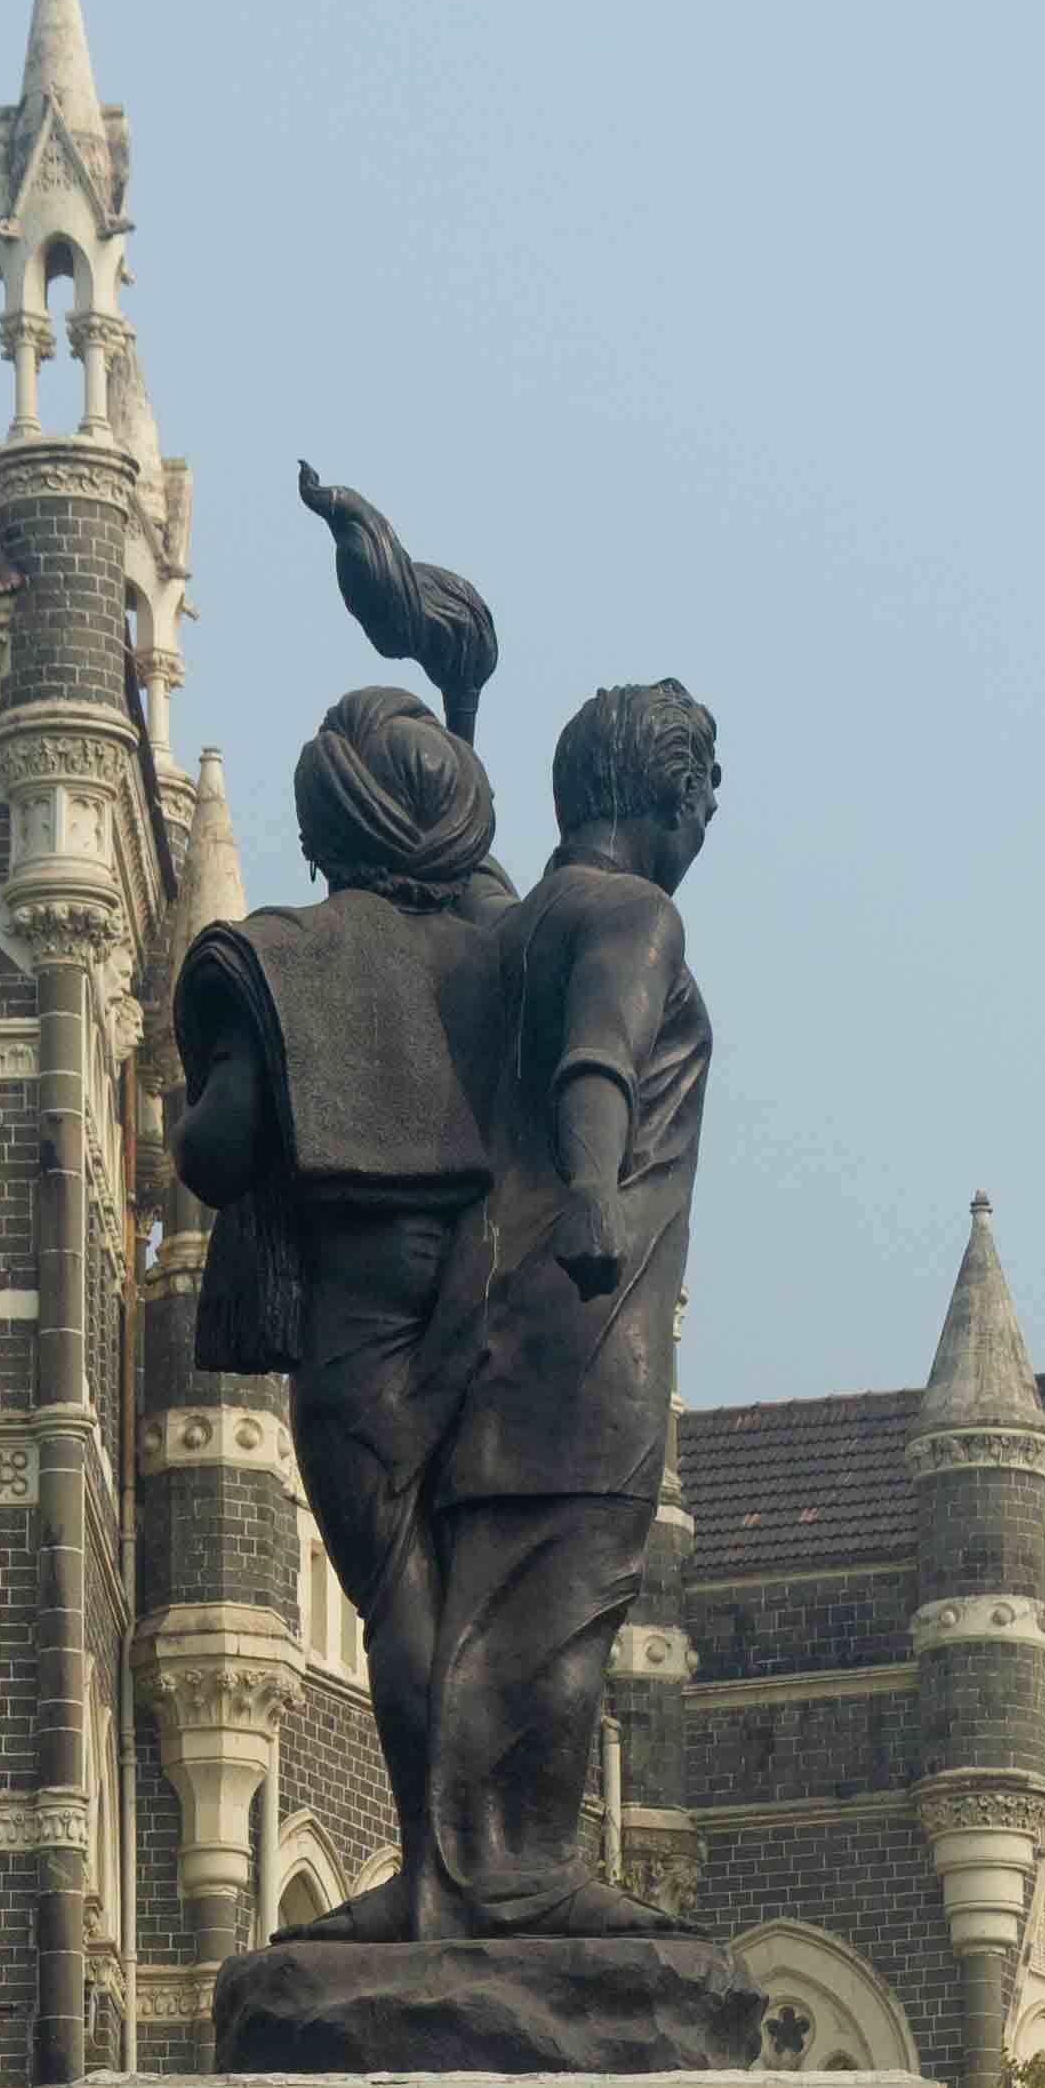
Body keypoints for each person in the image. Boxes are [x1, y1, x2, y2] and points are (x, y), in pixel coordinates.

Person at [171, 684, 519, 1922]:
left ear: (322, 824)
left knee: (399, 1584)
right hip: (496, 1284)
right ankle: (502, 1859)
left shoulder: (279, 957)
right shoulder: (500, 954)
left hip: (357, 1306)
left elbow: (216, 1152)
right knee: (484, 1579)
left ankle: (438, 1868)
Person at [422, 676, 724, 1929]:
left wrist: (457, 719)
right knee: (573, 1594)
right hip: (596, 1316)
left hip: (477, 1320)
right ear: (667, 791)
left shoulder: (504, 931)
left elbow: (473, 886)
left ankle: (461, 1867)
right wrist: (596, 1190)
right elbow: (598, 1053)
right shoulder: (636, 915)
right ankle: (525, 1872)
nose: (709, 817)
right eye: (703, 791)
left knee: (486, 1602)